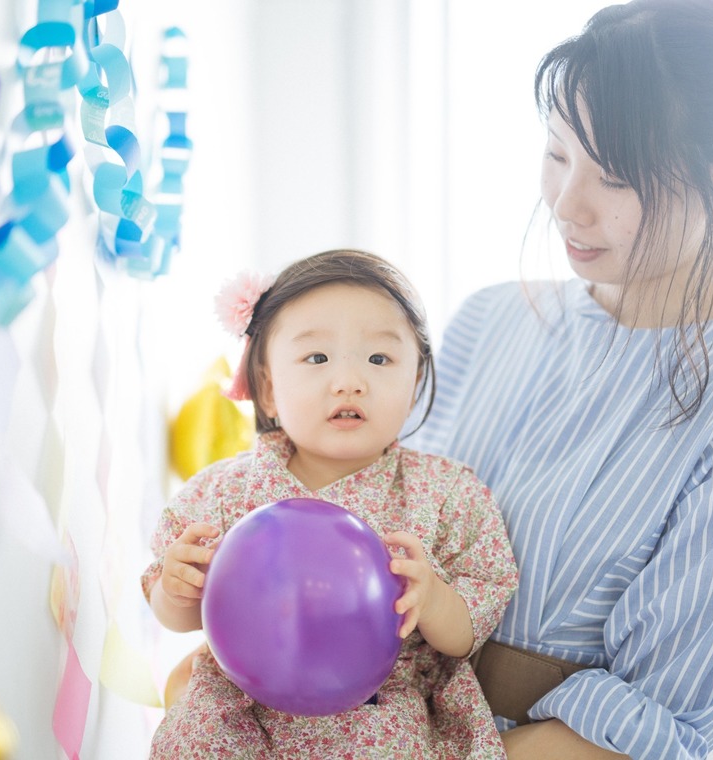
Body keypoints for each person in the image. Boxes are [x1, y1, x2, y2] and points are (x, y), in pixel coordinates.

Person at [406, 1, 713, 758]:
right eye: (557, 154)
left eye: (614, 177)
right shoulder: (486, 322)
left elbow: (645, 731)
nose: (567, 204)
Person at [142, 249, 519, 758]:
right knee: (194, 742)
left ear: (414, 384)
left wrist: (432, 600)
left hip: (374, 712)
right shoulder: (224, 492)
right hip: (237, 702)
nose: (349, 380)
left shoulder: (446, 494)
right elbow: (182, 617)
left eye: (380, 359)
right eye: (317, 358)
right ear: (270, 391)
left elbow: (470, 627)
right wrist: (176, 588)